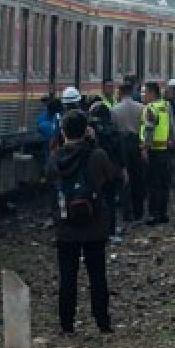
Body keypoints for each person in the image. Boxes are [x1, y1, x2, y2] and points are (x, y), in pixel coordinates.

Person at [46, 109, 119, 334]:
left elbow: (49, 182)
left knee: (67, 277)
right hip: (95, 225)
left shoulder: (55, 157)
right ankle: (102, 321)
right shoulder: (96, 155)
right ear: (86, 130)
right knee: (97, 274)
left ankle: (66, 324)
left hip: (66, 226)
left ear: (62, 131)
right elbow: (112, 177)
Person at [87, 100, 125, 242]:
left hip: (93, 172)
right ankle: (111, 230)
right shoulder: (113, 130)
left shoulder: (88, 132)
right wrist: (122, 168)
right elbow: (120, 152)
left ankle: (95, 229)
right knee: (110, 201)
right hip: (110, 171)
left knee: (94, 200)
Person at [139, 81, 174, 224]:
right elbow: (171, 126)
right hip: (165, 150)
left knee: (153, 184)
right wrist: (171, 140)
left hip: (153, 151)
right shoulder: (166, 106)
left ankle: (153, 214)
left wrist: (145, 149)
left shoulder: (150, 108)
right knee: (164, 183)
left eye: (144, 92)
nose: (142, 95)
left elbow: (148, 129)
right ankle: (163, 212)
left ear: (152, 93)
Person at [111, 82, 145, 222]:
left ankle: (127, 212)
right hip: (137, 142)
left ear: (120, 92)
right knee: (138, 177)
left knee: (124, 178)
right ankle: (139, 211)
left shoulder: (114, 110)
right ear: (131, 92)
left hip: (122, 144)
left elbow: (113, 130)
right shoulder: (142, 108)